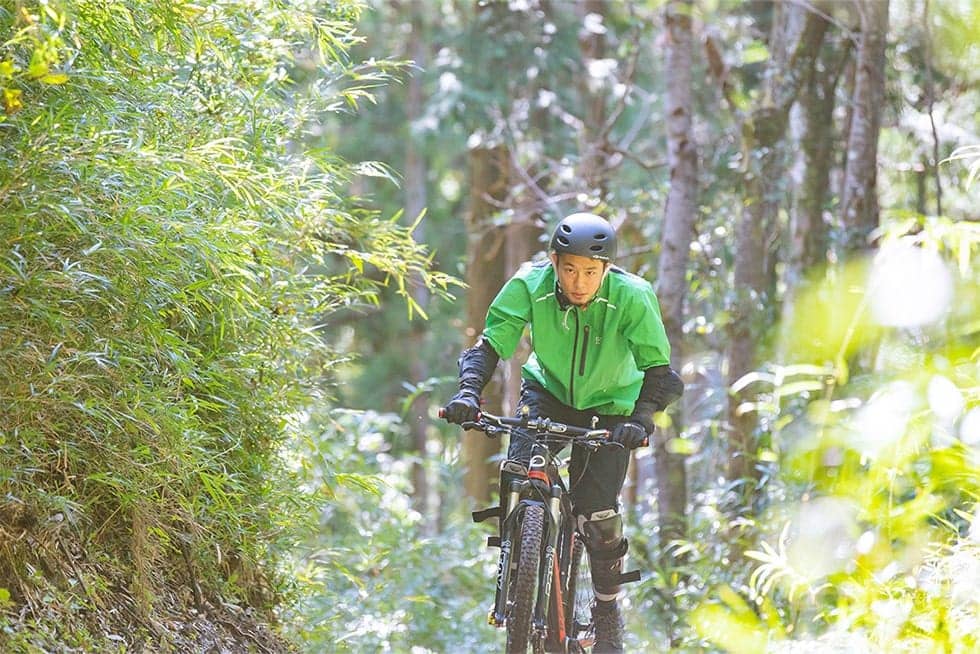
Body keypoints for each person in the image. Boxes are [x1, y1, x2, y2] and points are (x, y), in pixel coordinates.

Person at [443, 212, 683, 653]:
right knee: (523, 471)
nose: (579, 281)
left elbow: (660, 372)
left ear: (607, 270)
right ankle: (521, 559)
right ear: (553, 261)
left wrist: (640, 419)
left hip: (613, 407)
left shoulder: (632, 296)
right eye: (570, 268)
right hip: (547, 393)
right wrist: (467, 393)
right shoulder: (528, 284)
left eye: (591, 272)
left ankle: (607, 614)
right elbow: (491, 344)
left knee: (596, 511)